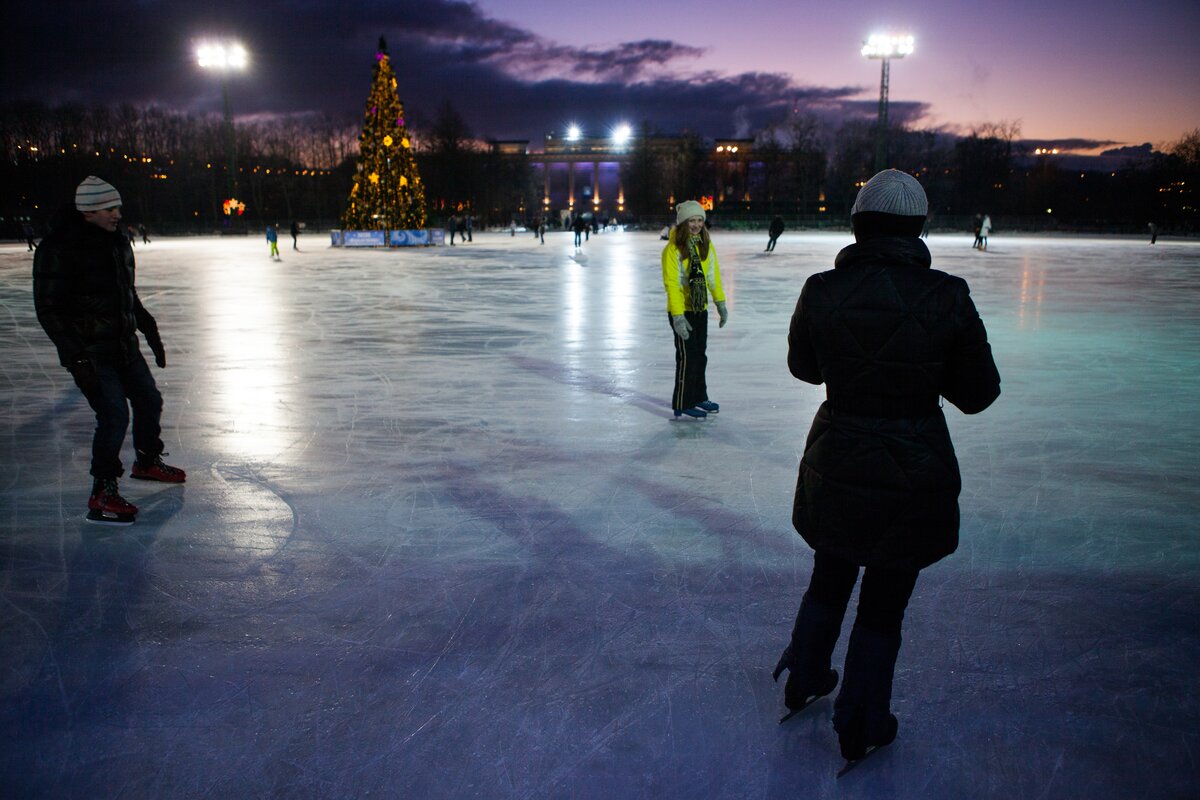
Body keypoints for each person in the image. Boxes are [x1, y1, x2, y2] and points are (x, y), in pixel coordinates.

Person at [774, 169, 1000, 766]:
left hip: (838, 457)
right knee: (884, 599)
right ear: (917, 227)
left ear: (859, 224)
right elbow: (979, 393)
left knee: (830, 573)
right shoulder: (947, 295)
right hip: (913, 468)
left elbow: (805, 368)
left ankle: (804, 676)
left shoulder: (822, 288)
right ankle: (862, 717)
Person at [32, 176, 186, 525]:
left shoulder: (117, 242)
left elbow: (125, 293)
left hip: (123, 346)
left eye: (118, 207)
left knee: (149, 399)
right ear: (88, 211)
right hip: (91, 353)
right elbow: (49, 309)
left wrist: (148, 327)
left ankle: (146, 461)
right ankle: (103, 489)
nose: (118, 214)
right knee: (114, 415)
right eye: (110, 208)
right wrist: (76, 356)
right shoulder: (59, 248)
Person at [662, 200, 728, 419]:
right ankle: (682, 401)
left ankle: (699, 397)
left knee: (700, 356)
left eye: (700, 220)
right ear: (683, 223)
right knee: (687, 358)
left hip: (701, 308)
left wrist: (720, 302)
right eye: (692, 220)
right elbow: (672, 284)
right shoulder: (672, 250)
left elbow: (712, 276)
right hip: (682, 311)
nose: (696, 224)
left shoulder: (705, 245)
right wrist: (678, 317)